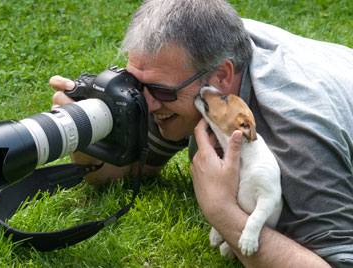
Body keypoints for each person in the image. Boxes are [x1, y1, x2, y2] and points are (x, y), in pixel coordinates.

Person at [50, 0, 353, 267]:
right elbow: (121, 172)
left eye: (160, 90)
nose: (147, 102)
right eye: (137, 84)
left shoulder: (296, 142)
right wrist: (88, 128)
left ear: (222, 76)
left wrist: (223, 212)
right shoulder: (194, 65)